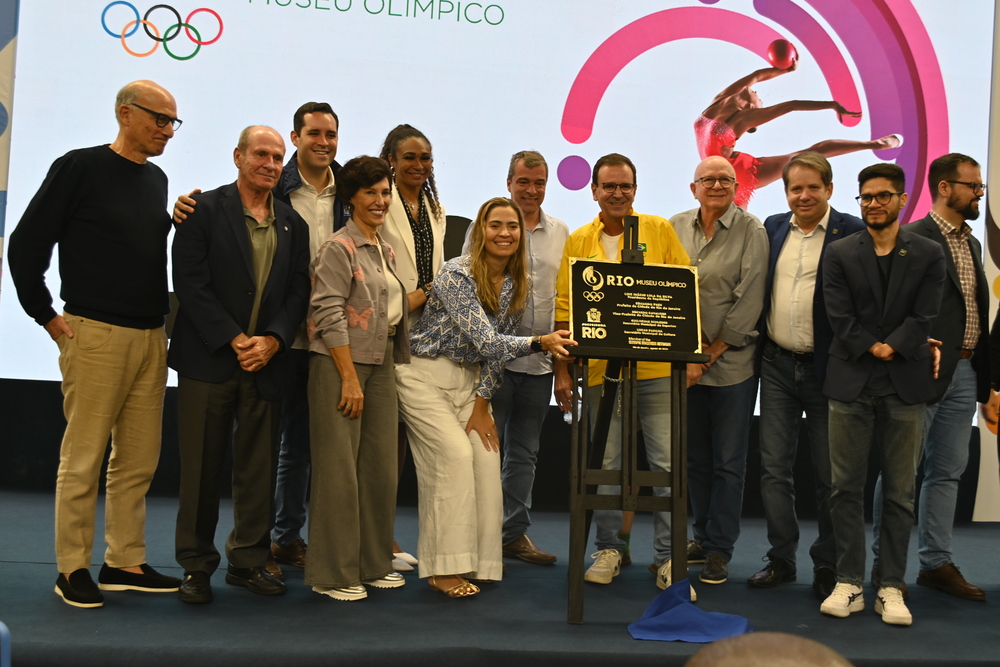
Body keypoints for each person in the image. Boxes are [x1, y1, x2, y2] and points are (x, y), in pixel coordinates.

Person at [7, 80, 183, 608]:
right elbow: (24, 245)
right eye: (158, 118)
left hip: (152, 335)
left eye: (173, 122)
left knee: (137, 462)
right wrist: (46, 317)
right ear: (125, 114)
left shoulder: (156, 180)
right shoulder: (78, 166)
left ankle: (123, 561)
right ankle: (71, 569)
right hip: (95, 333)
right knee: (83, 458)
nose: (167, 130)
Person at [172, 102, 347, 580]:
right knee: (202, 472)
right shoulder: (201, 210)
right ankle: (196, 566)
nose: (270, 165)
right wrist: (234, 339)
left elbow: (297, 290)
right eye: (261, 156)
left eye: (275, 159)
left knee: (257, 471)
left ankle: (248, 562)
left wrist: (271, 340)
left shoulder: (294, 223)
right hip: (208, 361)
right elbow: (190, 284)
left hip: (268, 363)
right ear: (237, 157)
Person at [395, 197, 576, 598]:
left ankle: (478, 562)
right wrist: (541, 341)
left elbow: (493, 358)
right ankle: (443, 571)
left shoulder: (515, 285)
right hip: (423, 376)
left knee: (485, 459)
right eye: (496, 225)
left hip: (469, 386)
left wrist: (481, 406)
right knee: (453, 460)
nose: (505, 233)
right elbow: (488, 340)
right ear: (480, 232)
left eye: (512, 227)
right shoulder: (454, 274)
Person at [553, 153, 692, 592]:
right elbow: (563, 307)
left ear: (636, 189)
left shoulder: (659, 230)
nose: (617, 193)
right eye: (609, 186)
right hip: (598, 373)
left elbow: (684, 290)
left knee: (667, 464)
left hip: (656, 371)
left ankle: (670, 559)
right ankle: (609, 548)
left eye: (625, 186)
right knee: (606, 463)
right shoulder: (578, 240)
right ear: (594, 190)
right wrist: (561, 370)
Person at [820, 162, 945, 626]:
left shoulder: (929, 252)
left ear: (901, 199)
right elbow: (837, 312)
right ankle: (849, 582)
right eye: (866, 197)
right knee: (844, 489)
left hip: (905, 383)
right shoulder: (839, 252)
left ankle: (891, 585)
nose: (873, 204)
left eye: (882, 196)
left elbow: (926, 313)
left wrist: (894, 346)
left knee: (899, 493)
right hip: (850, 380)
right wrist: (870, 345)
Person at [870, 154, 990, 601]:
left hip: (965, 370)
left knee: (948, 472)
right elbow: (891, 310)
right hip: (920, 371)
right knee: (901, 472)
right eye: (972, 185)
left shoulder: (971, 243)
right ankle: (888, 566)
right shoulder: (912, 237)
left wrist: (987, 376)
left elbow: (974, 310)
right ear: (944, 187)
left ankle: (935, 563)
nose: (979, 193)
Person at [750, 153, 864, 600]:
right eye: (795, 188)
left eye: (812, 187)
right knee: (774, 469)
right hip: (776, 364)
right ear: (786, 193)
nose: (803, 196)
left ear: (829, 189)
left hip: (827, 370)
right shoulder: (774, 227)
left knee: (830, 475)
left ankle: (828, 562)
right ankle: (781, 558)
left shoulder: (851, 232)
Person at [306, 156, 410, 601]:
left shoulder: (382, 247)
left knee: (379, 470)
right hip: (340, 365)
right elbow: (327, 312)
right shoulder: (338, 247)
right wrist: (348, 377)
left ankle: (371, 563)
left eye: (385, 193)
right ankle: (332, 574)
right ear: (350, 198)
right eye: (371, 193)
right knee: (338, 473)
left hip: (382, 360)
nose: (380, 201)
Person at [462, 151, 569, 565]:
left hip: (540, 365)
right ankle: (474, 537)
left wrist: (561, 369)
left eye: (539, 182)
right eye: (523, 181)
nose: (531, 189)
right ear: (509, 183)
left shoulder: (562, 233)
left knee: (525, 455)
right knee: (483, 451)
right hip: (494, 363)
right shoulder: (485, 227)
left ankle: (512, 534)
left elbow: (564, 304)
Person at [671, 156, 768, 585]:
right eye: (707, 179)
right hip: (683, 366)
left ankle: (719, 550)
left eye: (725, 179)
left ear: (736, 187)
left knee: (729, 462)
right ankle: (702, 535)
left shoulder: (753, 231)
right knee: (694, 460)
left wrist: (707, 355)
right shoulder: (673, 227)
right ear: (693, 188)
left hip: (731, 366)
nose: (716, 185)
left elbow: (749, 299)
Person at [378, 124, 447, 571]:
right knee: (382, 442)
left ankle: (385, 536)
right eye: (409, 158)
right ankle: (375, 538)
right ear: (390, 160)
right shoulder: (378, 201)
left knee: (404, 440)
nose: (419, 166)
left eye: (425, 158)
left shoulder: (434, 205)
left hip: (425, 339)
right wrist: (414, 298)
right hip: (383, 330)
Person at [696, 60, 900, 208]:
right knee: (806, 155)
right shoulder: (729, 107)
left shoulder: (726, 111)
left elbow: (757, 78)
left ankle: (876, 144)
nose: (760, 98)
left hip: (730, 172)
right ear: (751, 106)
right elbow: (770, 88)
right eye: (761, 103)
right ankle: (876, 144)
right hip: (723, 173)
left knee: (805, 156)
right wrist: (831, 104)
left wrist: (784, 69)